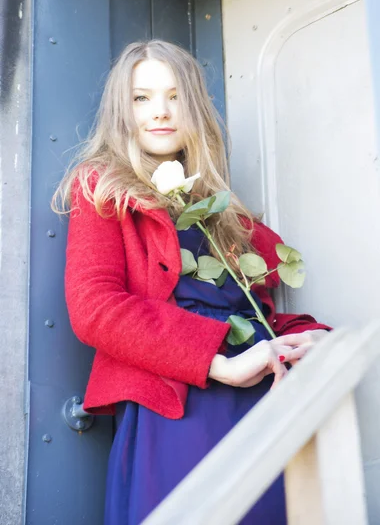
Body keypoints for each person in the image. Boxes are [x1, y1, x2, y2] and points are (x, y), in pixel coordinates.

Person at [52, 39, 331, 525]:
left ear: (195, 106)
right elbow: (94, 308)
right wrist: (218, 364)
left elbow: (247, 311)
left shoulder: (223, 210)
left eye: (175, 95)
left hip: (262, 395)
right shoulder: (103, 187)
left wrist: (303, 336)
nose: (159, 112)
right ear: (123, 110)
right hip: (180, 401)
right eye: (141, 98)